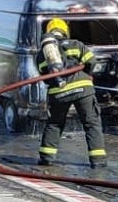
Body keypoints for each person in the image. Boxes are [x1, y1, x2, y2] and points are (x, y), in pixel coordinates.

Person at [35, 18, 108, 168]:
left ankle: (46, 158)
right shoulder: (76, 44)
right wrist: (85, 75)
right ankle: (98, 161)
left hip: (59, 92)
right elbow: (92, 62)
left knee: (54, 124)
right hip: (83, 89)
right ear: (64, 30)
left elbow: (45, 76)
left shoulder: (42, 54)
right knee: (91, 123)